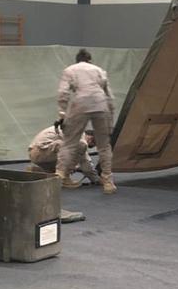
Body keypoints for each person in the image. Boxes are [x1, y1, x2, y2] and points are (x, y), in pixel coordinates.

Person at [55, 49, 116, 194]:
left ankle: (59, 175)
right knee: (104, 146)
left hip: (80, 103)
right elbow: (109, 96)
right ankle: (108, 182)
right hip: (101, 104)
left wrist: (62, 115)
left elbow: (63, 93)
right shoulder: (99, 70)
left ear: (77, 60)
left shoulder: (70, 70)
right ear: (89, 60)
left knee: (69, 143)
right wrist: (111, 121)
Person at [28, 122, 100, 183]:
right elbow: (85, 162)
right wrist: (97, 179)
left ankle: (39, 173)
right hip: (41, 151)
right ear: (90, 138)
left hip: (38, 152)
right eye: (93, 143)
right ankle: (64, 177)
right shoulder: (79, 137)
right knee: (76, 152)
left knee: (69, 162)